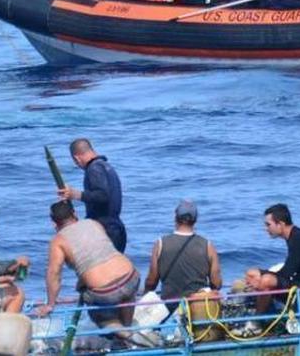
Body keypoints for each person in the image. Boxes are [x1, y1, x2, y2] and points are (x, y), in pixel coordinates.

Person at [36, 201, 140, 333]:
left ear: (54, 223)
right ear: (75, 214)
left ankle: (125, 335)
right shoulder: (93, 223)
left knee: (99, 316)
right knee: (127, 296)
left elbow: (54, 274)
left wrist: (50, 304)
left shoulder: (58, 241)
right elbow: (98, 255)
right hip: (131, 277)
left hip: (105, 292)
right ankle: (128, 328)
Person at [144, 200, 222, 312]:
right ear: (195, 220)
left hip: (169, 308)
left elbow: (151, 281)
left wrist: (145, 295)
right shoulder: (207, 245)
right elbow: (216, 282)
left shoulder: (160, 244)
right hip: (198, 308)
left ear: (175, 218)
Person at [58, 138, 127, 252]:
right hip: (116, 228)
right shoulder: (105, 166)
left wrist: (77, 195)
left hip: (106, 230)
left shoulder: (94, 168)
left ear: (76, 158)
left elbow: (103, 196)